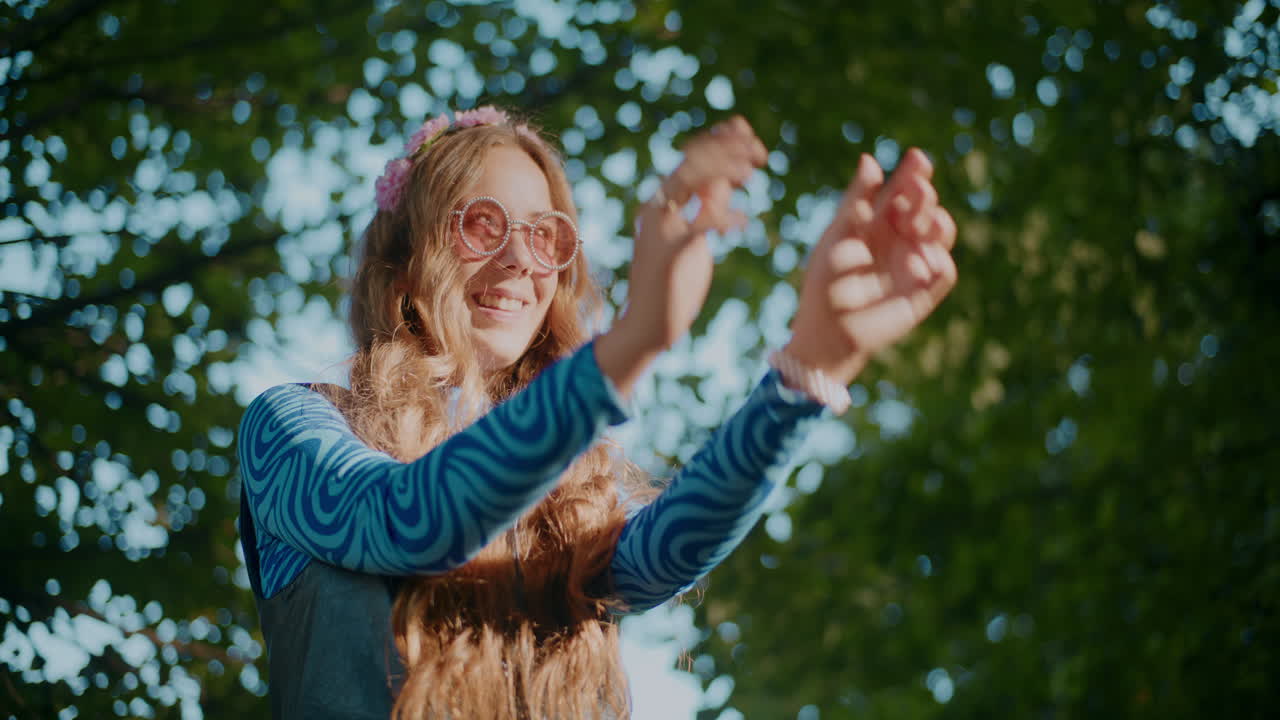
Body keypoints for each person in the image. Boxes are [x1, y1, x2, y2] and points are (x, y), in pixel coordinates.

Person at [236, 105, 957, 720]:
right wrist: (635, 341)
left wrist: (809, 369)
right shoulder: (289, 428)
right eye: (481, 225)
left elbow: (659, 555)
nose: (522, 259)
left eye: (545, 234)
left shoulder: (570, 483)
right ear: (404, 273)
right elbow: (409, 520)